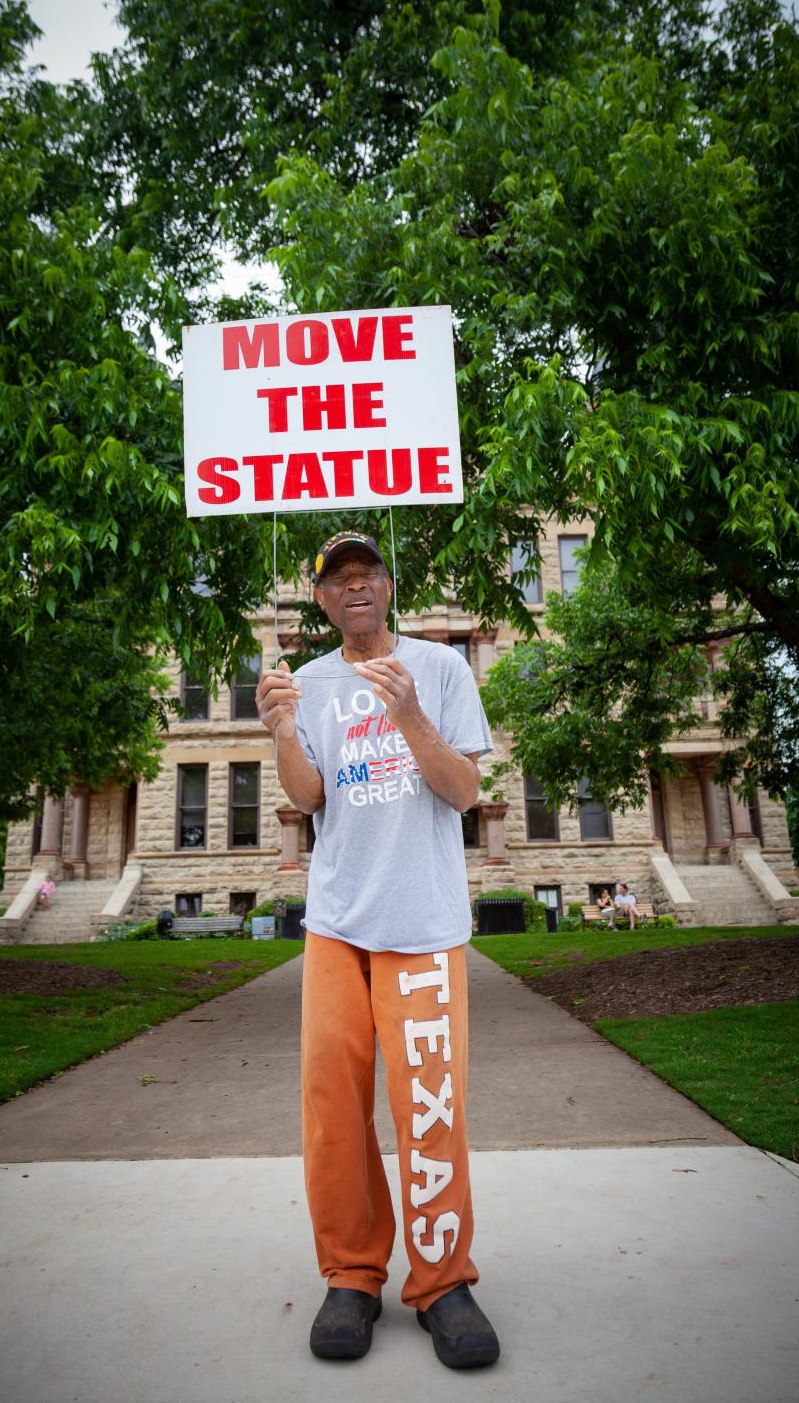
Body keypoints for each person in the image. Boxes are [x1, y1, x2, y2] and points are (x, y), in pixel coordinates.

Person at [256, 530, 500, 1370]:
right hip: (336, 924)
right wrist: (284, 730)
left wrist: (408, 716)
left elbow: (466, 791)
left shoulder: (440, 670)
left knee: (430, 1111)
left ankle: (442, 1282)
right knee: (333, 1111)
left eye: (367, 574)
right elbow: (308, 796)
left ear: (389, 586)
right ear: (321, 599)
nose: (354, 587)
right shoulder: (309, 682)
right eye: (338, 579)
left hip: (424, 923)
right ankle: (353, 1277)